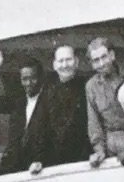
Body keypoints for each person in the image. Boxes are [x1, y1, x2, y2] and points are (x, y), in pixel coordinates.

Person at [0, 44, 49, 174]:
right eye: (25, 79)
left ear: (40, 78)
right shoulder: (18, 102)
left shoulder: (49, 101)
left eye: (33, 78)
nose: (28, 83)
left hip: (38, 167)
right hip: (13, 167)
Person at [38, 44, 91, 173]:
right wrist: (39, 159)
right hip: (54, 162)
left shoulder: (87, 86)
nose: (65, 65)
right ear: (54, 65)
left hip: (84, 159)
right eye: (61, 61)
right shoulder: (48, 92)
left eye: (68, 60)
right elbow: (41, 127)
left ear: (76, 62)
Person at [85, 37, 124, 167]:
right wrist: (99, 150)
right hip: (109, 145)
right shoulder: (91, 86)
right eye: (96, 60)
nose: (101, 64)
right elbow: (94, 122)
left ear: (112, 55)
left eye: (104, 57)